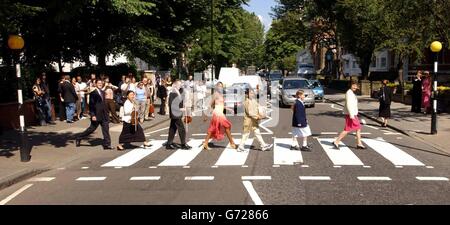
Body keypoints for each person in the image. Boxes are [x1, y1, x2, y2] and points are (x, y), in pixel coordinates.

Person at [76, 79, 113, 150]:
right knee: (91, 129)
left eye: (101, 83)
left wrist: (108, 112)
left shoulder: (102, 92)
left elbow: (104, 103)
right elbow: (91, 105)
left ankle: (107, 144)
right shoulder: (93, 93)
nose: (100, 84)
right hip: (96, 114)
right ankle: (79, 137)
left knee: (106, 129)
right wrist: (93, 115)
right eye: (98, 83)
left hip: (104, 114)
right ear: (95, 84)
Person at [202, 82, 238, 150]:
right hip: (217, 113)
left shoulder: (221, 95)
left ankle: (205, 143)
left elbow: (221, 105)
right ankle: (232, 143)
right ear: (216, 87)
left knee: (214, 128)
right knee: (226, 126)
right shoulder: (215, 94)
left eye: (221, 86)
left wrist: (229, 109)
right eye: (219, 86)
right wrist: (206, 115)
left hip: (220, 112)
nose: (220, 87)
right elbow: (210, 105)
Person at [333, 81, 366, 150]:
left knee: (357, 128)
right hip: (351, 114)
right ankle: (337, 141)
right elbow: (349, 104)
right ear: (350, 85)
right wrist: (351, 114)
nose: (355, 87)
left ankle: (359, 143)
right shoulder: (349, 93)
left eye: (356, 86)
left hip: (353, 114)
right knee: (348, 129)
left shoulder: (351, 93)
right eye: (353, 85)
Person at [165, 80, 192, 150]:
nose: (181, 86)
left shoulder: (177, 91)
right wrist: (180, 109)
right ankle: (183, 144)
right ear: (175, 85)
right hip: (175, 113)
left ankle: (169, 143)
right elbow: (172, 105)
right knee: (182, 129)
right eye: (179, 84)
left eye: (181, 84)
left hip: (176, 113)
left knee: (172, 129)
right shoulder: (173, 92)